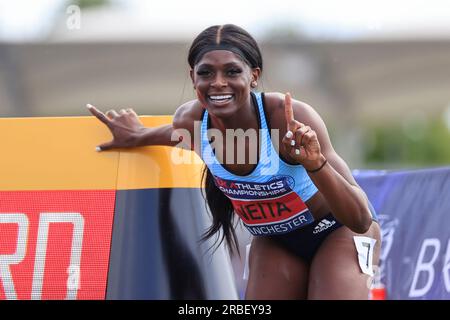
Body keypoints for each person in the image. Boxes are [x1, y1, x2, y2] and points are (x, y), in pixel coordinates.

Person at [86, 24, 381, 300]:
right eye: (206, 73)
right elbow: (171, 135)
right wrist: (137, 135)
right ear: (193, 78)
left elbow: (359, 219)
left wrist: (316, 164)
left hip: (335, 231)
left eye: (231, 71)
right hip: (275, 240)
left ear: (253, 75)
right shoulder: (191, 124)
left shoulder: (286, 119)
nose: (218, 83)